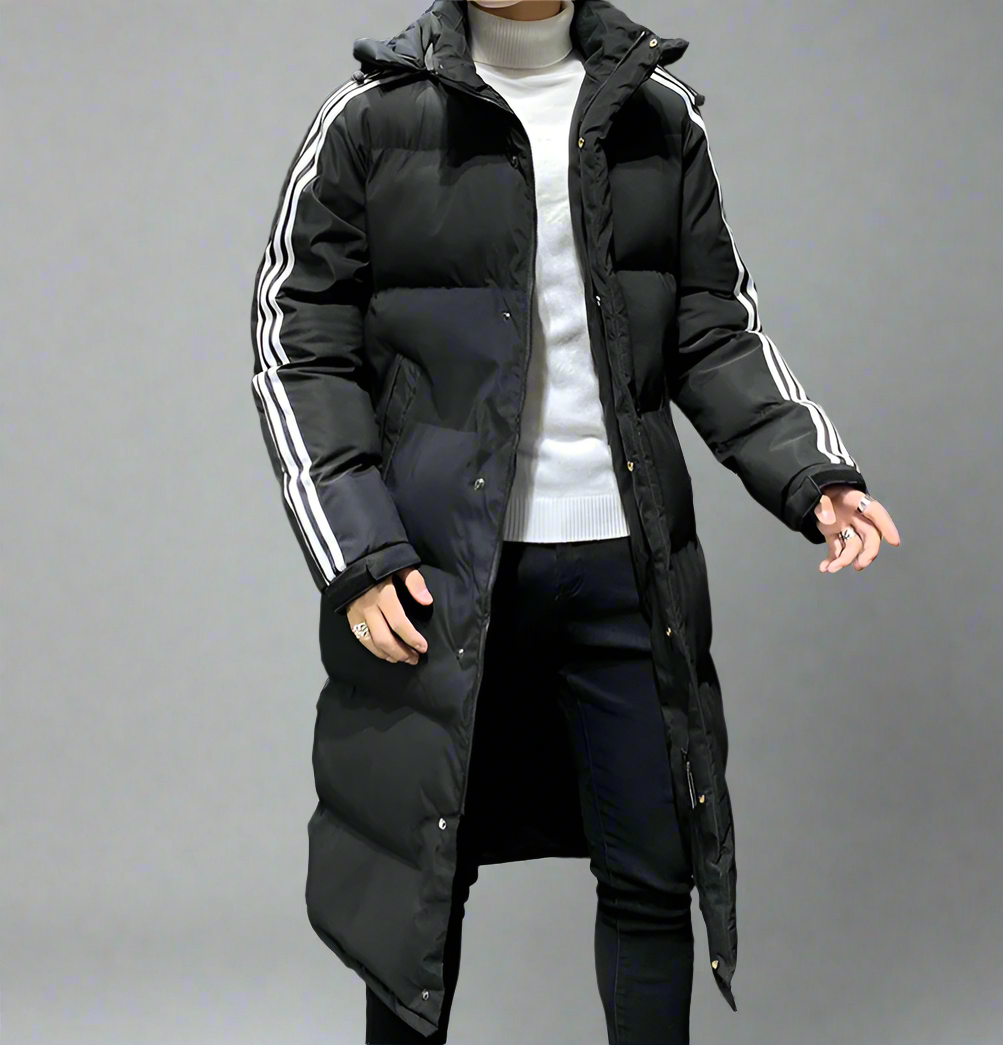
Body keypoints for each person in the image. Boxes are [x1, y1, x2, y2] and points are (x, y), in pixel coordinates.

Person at [249, 1, 901, 1041]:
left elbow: (710, 327)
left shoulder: (656, 115)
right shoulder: (370, 119)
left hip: (629, 572)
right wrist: (358, 552)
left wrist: (807, 470)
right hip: (440, 577)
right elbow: (298, 344)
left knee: (652, 872)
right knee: (417, 888)